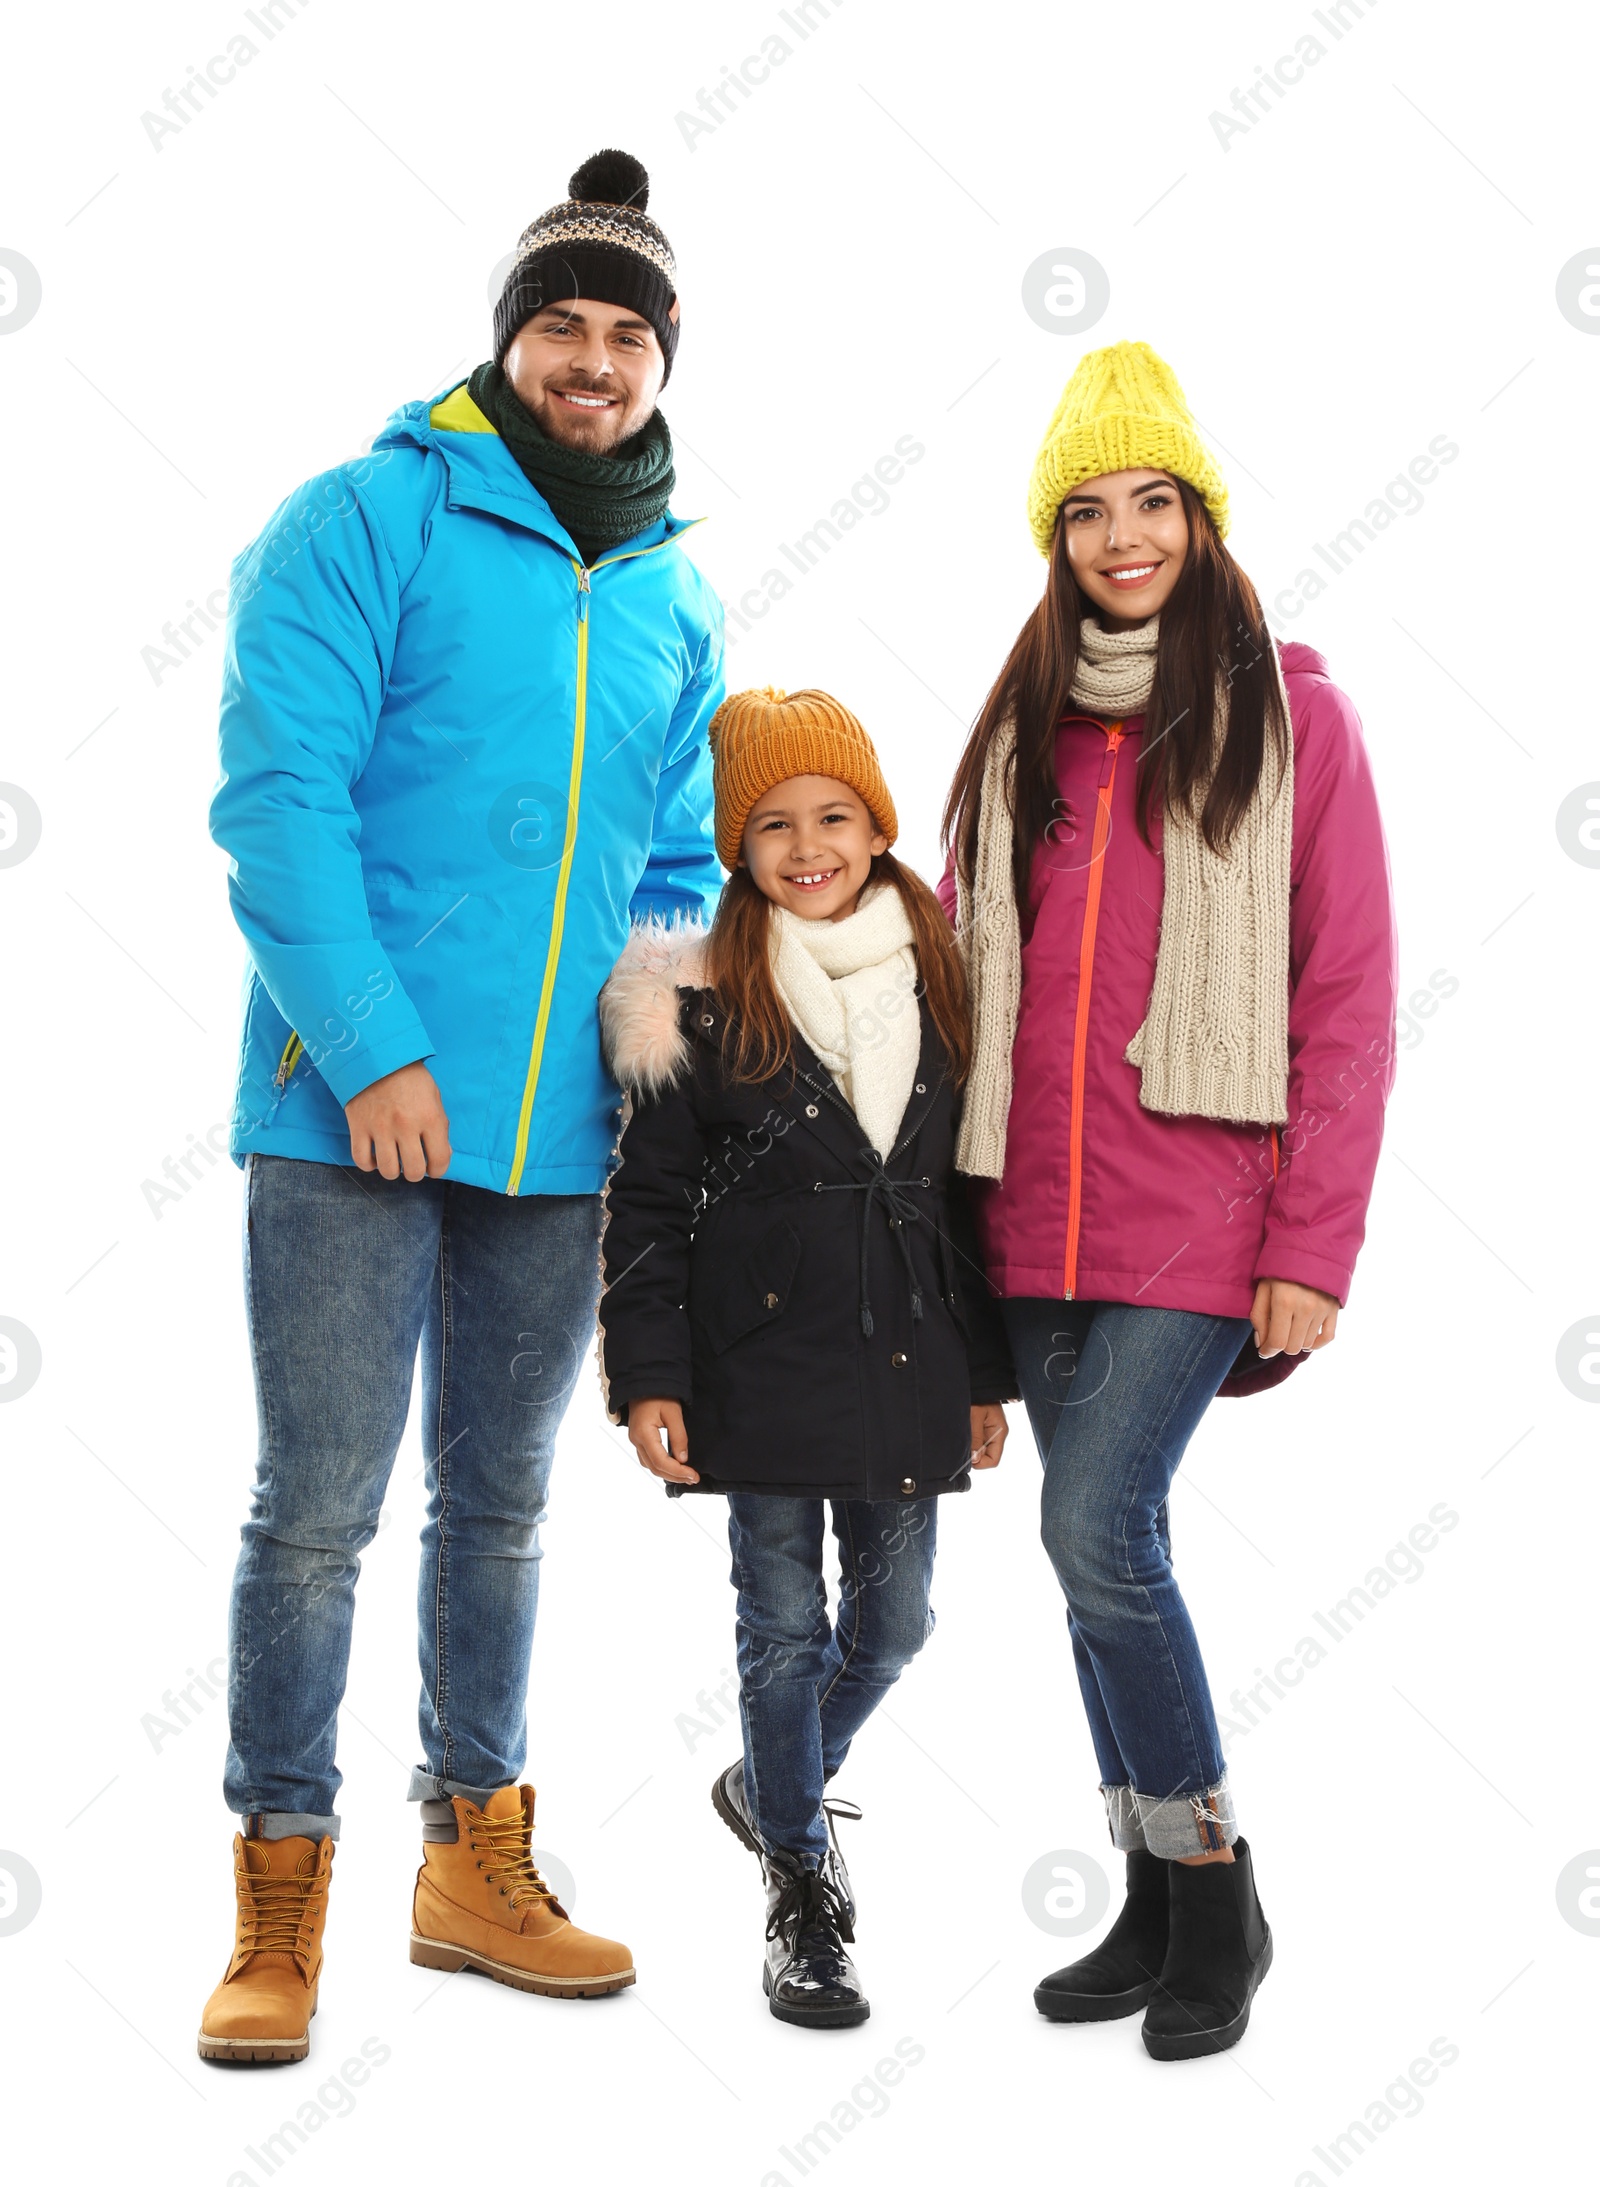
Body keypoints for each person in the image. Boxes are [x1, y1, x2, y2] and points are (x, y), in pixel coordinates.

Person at [199, 148, 725, 2064]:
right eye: (561, 324)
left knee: (500, 1510)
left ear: (664, 365)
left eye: (627, 335)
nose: (593, 362)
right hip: (349, 1119)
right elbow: (278, 800)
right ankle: (278, 1901)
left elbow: (680, 863)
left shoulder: (676, 592)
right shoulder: (365, 520)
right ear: (506, 341)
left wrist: (656, 1080)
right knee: (319, 1514)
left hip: (560, 1143)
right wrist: (373, 1048)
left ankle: (473, 1862)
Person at [940, 341, 1397, 2059]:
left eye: (1150, 501)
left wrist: (1314, 1249)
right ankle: (1146, 1890)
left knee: (1094, 1535)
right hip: (1029, 1223)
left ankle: (1215, 1889)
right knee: (1092, 1567)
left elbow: (1345, 999)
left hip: (1201, 1226)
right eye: (1084, 510)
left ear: (1200, 517)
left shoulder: (1294, 716)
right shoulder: (1024, 744)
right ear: (1053, 539)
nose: (1119, 536)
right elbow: (965, 973)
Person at [596, 688, 1015, 2027]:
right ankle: (802, 1893)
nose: (807, 843)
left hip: (907, 1369)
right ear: (739, 847)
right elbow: (649, 1206)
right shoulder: (698, 995)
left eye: (834, 815)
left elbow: (965, 1198)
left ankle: (778, 1778)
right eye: (773, 824)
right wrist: (648, 1373)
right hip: (754, 1372)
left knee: (897, 1623)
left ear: (877, 827)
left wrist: (987, 1371)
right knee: (780, 1629)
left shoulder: (939, 972)